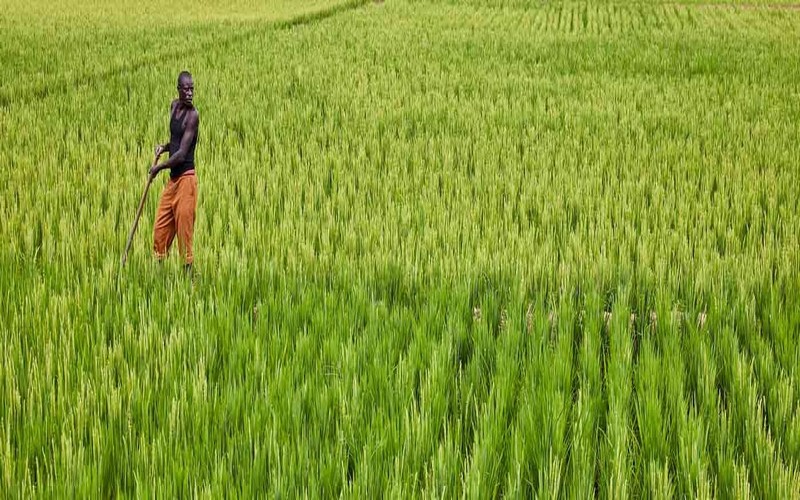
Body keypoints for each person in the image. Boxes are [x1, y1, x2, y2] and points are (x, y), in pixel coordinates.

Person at [150, 71, 200, 274]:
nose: (190, 93)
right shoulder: (174, 107)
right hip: (173, 181)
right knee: (160, 228)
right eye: (186, 89)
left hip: (186, 180)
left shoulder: (193, 116)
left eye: (192, 89)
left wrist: (158, 168)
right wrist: (164, 147)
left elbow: (181, 154)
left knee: (184, 231)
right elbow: (175, 142)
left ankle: (188, 279)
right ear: (178, 89)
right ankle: (158, 275)